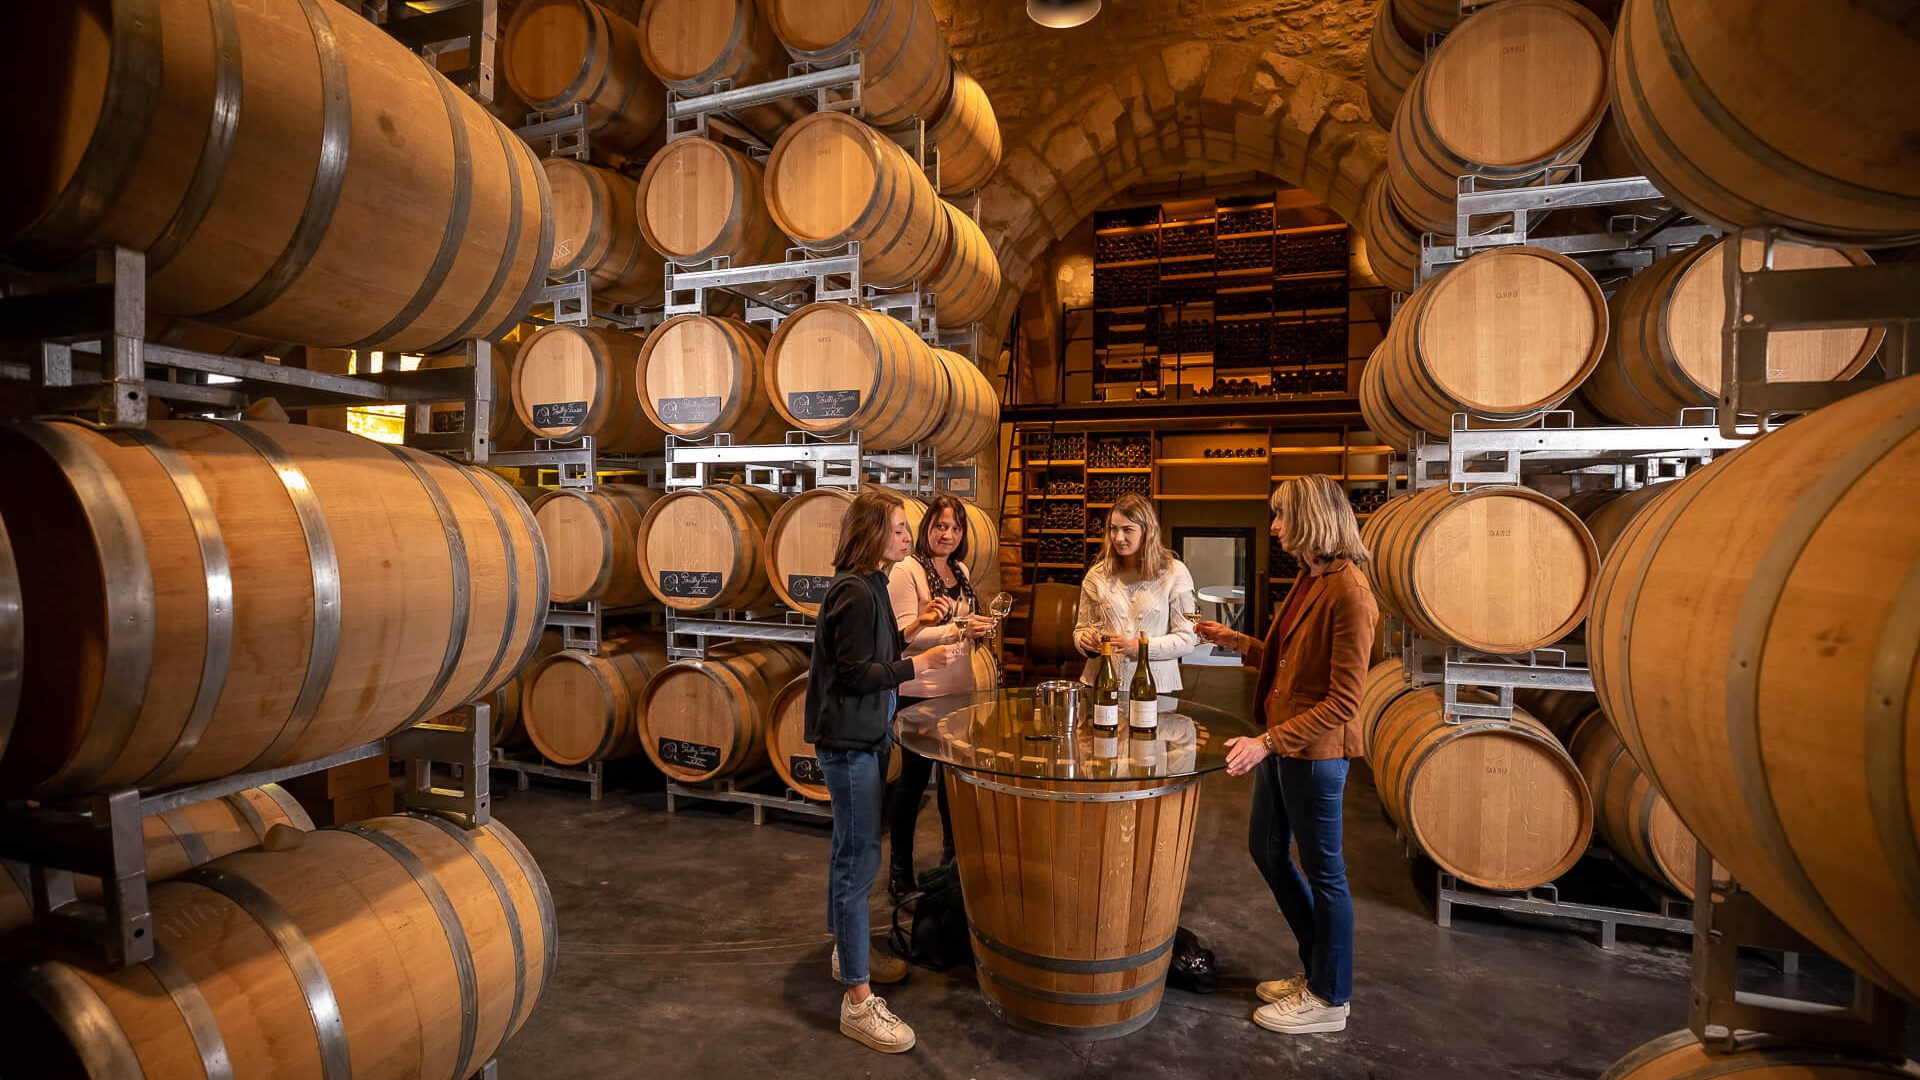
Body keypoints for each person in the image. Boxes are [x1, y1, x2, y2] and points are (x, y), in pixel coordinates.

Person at [1194, 475, 1378, 1036]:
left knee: (1326, 873)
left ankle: (1330, 996)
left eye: (1280, 516)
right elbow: (1292, 667)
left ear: (1311, 519)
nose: (1273, 527)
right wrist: (1237, 643)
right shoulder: (1310, 578)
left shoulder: (1351, 593)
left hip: (1314, 754)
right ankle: (1316, 967)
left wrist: (1266, 742)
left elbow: (1345, 700)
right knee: (1267, 851)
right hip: (1286, 744)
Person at [806, 489, 966, 1054]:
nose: (908, 537)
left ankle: (843, 952)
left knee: (849, 850)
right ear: (875, 534)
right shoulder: (853, 590)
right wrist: (917, 662)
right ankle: (857, 1000)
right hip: (849, 740)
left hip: (864, 735)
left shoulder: (873, 583)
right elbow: (854, 673)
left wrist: (913, 627)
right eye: (900, 529)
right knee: (860, 859)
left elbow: (874, 644)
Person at [885, 494, 996, 900]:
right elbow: (905, 635)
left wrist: (977, 629)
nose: (947, 534)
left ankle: (951, 867)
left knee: (953, 785)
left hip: (959, 690)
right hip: (920, 691)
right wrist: (960, 631)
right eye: (940, 526)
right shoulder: (907, 571)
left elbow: (962, 623)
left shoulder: (961, 570)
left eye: (955, 528)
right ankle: (900, 871)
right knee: (912, 783)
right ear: (926, 528)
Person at [1071, 492, 1202, 692]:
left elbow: (1187, 639)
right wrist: (1085, 641)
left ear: (1147, 531)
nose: (1118, 537)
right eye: (1113, 529)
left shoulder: (1174, 573)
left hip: (1155, 689)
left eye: (1127, 530)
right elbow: (1081, 630)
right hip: (1101, 686)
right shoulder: (1096, 576)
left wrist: (1138, 647)